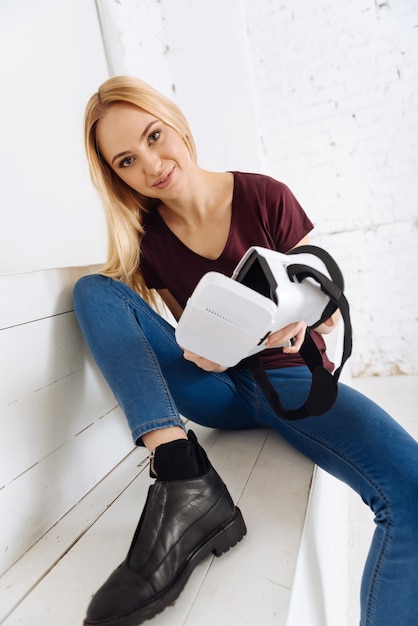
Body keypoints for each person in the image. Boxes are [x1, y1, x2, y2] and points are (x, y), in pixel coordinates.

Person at [73, 75, 418, 626]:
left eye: (154, 136)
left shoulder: (264, 195)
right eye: (127, 161)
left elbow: (325, 306)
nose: (151, 164)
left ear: (176, 124)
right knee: (94, 290)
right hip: (217, 391)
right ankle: (181, 472)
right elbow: (190, 328)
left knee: (412, 491)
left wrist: (304, 319)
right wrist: (207, 348)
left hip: (291, 380)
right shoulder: (151, 246)